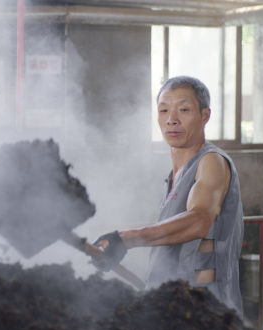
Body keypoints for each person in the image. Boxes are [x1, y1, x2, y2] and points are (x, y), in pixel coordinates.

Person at [94, 76, 244, 317]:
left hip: (205, 310)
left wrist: (126, 239)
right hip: (173, 306)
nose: (171, 119)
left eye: (183, 110)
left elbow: (199, 220)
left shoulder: (212, 162)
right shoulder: (174, 176)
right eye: (164, 110)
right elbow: (172, 240)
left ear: (205, 115)